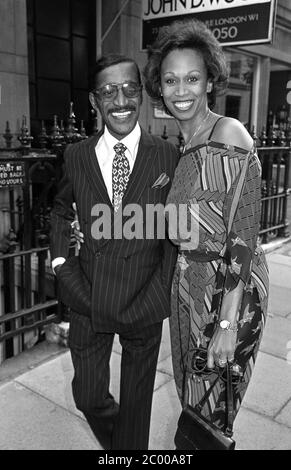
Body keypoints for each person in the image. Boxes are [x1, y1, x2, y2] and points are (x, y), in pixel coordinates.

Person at [143, 18, 269, 443]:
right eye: (171, 80)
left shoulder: (227, 134)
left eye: (192, 78)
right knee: (193, 403)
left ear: (210, 81)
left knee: (211, 417)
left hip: (227, 291)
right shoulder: (187, 145)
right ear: (158, 86)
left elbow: (243, 235)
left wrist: (228, 323)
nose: (181, 90)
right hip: (189, 288)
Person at [49, 53, 179, 450]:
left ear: (140, 94)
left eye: (128, 89)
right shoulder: (77, 155)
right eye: (108, 91)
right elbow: (58, 209)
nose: (120, 100)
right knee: (88, 396)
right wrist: (59, 263)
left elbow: (175, 230)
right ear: (94, 101)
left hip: (144, 299)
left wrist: (161, 290)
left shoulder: (168, 155)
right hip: (89, 295)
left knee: (137, 408)